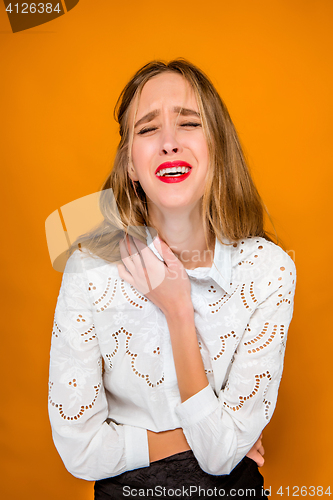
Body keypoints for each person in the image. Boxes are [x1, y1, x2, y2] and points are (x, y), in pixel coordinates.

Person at [48, 59, 296, 499]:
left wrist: (179, 310)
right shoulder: (88, 271)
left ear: (217, 146)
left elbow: (222, 460)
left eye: (188, 123)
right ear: (130, 165)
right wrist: (210, 437)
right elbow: (80, 450)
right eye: (147, 129)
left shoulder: (268, 270)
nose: (168, 143)